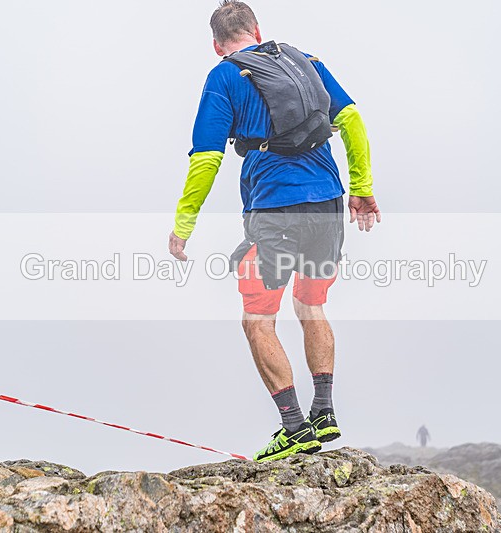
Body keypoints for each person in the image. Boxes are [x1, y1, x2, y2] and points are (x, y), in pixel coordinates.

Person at [168, 0, 380, 462]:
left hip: (276, 208)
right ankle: (324, 412)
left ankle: (293, 427)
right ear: (257, 29)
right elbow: (353, 120)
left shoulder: (224, 76)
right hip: (328, 202)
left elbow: (206, 158)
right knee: (311, 305)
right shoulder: (306, 60)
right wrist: (361, 186)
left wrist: (184, 225)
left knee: (258, 319)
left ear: (216, 45)